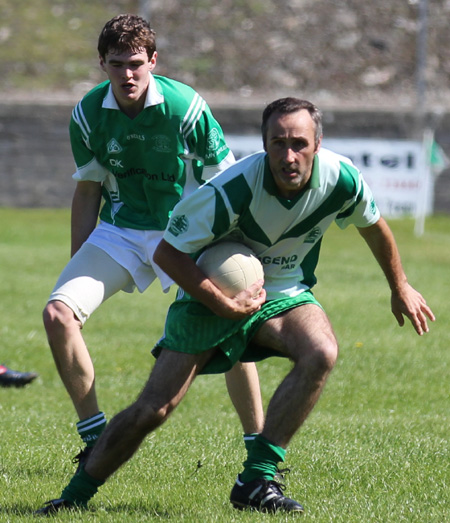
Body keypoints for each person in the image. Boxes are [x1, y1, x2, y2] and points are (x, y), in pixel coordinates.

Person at [36, 97, 434, 515]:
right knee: (153, 410)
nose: (288, 155)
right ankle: (74, 497)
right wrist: (221, 302)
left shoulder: (342, 178)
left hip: (281, 291)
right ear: (263, 145)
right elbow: (169, 254)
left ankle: (257, 480)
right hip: (207, 295)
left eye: (299, 143)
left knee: (321, 351)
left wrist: (400, 285)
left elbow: (374, 226)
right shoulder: (232, 188)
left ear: (318, 143)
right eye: (277, 143)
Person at [42, 13, 264, 474]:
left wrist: (230, 261)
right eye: (117, 63)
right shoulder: (86, 115)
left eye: (137, 63)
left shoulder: (187, 109)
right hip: (121, 230)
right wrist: (79, 263)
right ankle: (96, 441)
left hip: (188, 234)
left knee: (230, 326)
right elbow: (88, 190)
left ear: (154, 61)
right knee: (58, 314)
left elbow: (226, 187)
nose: (128, 74)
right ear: (101, 63)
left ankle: (260, 455)